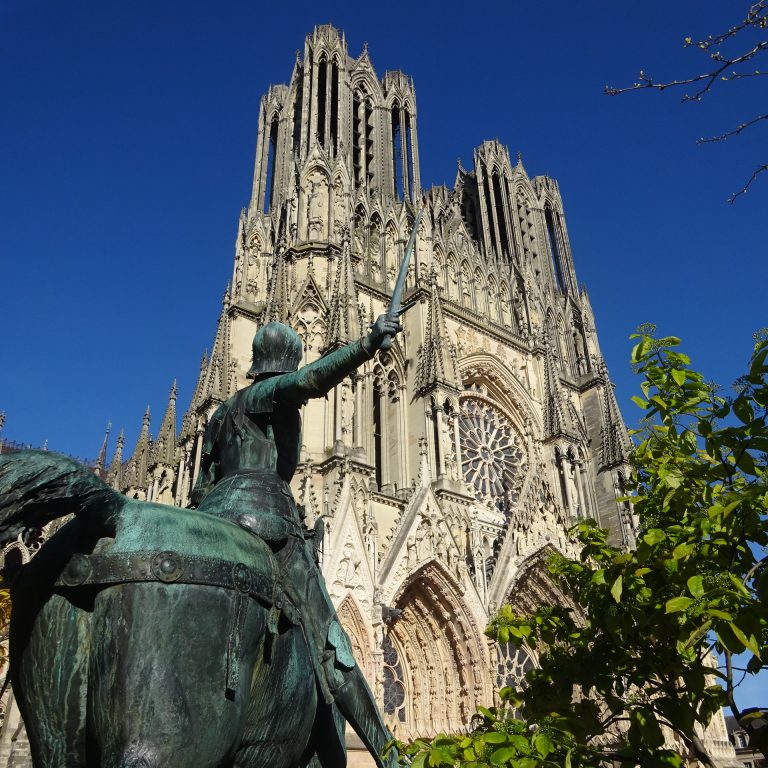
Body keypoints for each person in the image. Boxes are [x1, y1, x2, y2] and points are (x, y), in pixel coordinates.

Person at [191, 314, 401, 768]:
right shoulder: (265, 396)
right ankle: (387, 753)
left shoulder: (220, 416)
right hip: (266, 520)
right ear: (281, 367)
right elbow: (311, 381)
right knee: (333, 643)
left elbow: (198, 490)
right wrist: (367, 344)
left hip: (212, 519)